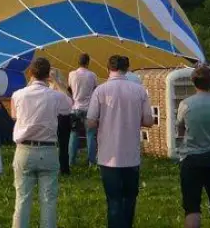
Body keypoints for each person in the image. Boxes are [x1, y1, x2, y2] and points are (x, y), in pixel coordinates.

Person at [87, 54, 154, 228]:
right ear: (127, 69)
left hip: (108, 155)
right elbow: (148, 121)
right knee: (130, 199)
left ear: (108, 69)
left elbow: (91, 122)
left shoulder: (100, 90)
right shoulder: (139, 90)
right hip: (131, 155)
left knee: (113, 200)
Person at [10, 57, 72, 228]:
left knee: (22, 199)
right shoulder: (55, 96)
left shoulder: (18, 95)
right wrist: (58, 83)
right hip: (48, 150)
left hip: (24, 149)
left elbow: (14, 116)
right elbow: (69, 106)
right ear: (47, 75)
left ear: (30, 73)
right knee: (49, 200)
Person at [176, 63, 210, 228]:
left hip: (192, 158)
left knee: (192, 209)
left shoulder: (185, 104)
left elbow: (180, 128)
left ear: (193, 81)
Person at [68, 53, 98, 167]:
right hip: (89, 109)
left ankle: (71, 161)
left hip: (75, 108)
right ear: (88, 62)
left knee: (73, 134)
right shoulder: (92, 75)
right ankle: (91, 162)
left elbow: (70, 88)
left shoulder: (71, 74)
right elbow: (95, 89)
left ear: (78, 62)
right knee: (90, 135)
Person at [48, 67, 72, 175]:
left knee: (63, 145)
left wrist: (56, 81)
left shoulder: (61, 86)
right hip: (52, 117)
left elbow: (67, 96)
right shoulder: (47, 87)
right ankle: (54, 167)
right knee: (52, 144)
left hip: (63, 118)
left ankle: (64, 168)